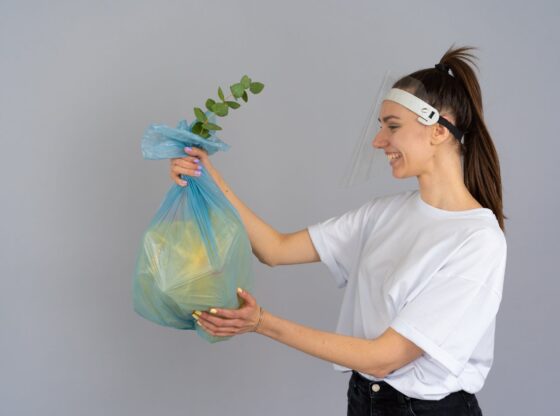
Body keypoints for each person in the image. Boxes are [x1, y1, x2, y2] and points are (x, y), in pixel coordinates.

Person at [169, 45, 507, 415]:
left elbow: (385, 358)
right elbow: (274, 249)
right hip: (366, 398)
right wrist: (207, 174)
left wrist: (262, 323)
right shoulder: (384, 214)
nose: (378, 141)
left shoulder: (477, 240)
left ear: (439, 130)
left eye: (392, 126)